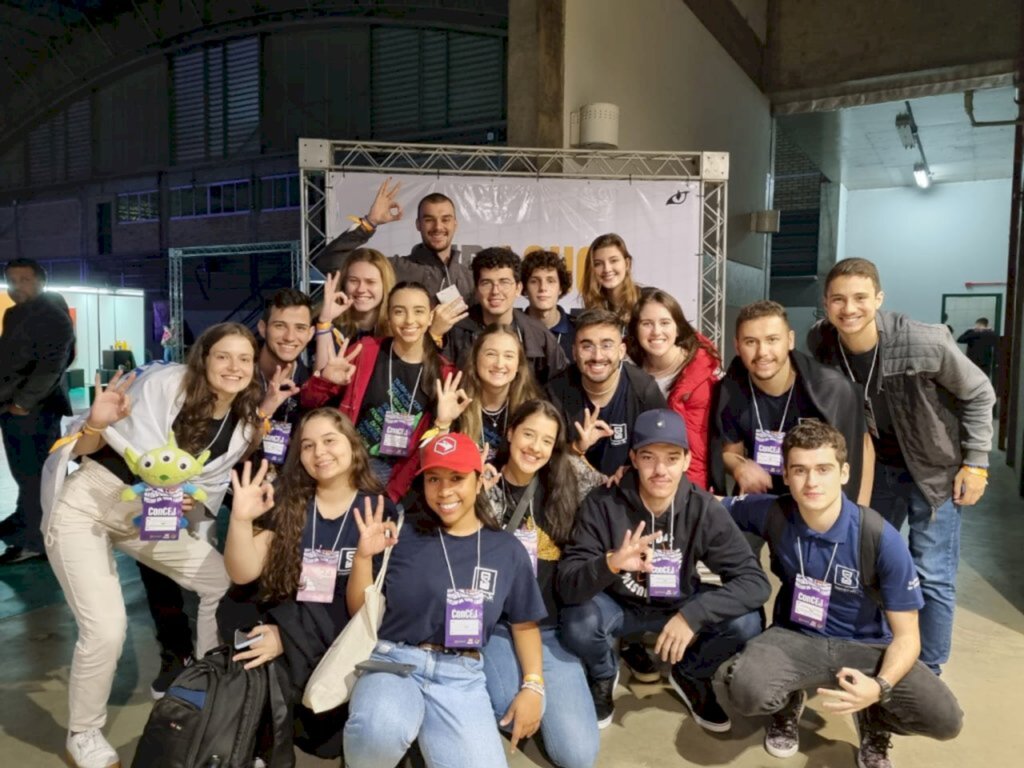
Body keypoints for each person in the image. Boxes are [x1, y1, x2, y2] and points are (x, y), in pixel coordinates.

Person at [41, 323, 277, 768]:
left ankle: (205, 686)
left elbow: (204, 486)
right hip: (89, 502)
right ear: (203, 358)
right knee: (107, 628)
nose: (234, 367)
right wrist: (95, 422)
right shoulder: (164, 385)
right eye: (223, 356)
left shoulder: (242, 427)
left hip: (147, 518)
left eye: (244, 359)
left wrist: (189, 498)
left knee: (218, 580)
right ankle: (83, 732)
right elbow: (91, 444)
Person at [716, 421, 963, 767]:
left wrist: (880, 687)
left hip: (867, 645)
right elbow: (712, 505)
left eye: (823, 469)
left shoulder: (879, 537)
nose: (812, 482)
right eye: (800, 470)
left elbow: (908, 638)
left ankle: (875, 720)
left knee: (945, 719)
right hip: (795, 636)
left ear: (844, 473)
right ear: (785, 475)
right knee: (744, 691)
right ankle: (788, 703)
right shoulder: (774, 512)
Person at [808, 257, 996, 673]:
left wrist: (976, 464)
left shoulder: (924, 340)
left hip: (936, 473)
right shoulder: (823, 342)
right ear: (826, 303)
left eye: (860, 297)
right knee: (872, 565)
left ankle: (929, 671)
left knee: (932, 575)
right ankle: (880, 651)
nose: (849, 308)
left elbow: (980, 393)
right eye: (838, 299)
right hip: (877, 473)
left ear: (879, 298)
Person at [343, 432, 547, 768]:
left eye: (457, 478)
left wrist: (534, 687)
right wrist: (363, 558)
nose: (445, 491)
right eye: (434, 479)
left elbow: (525, 623)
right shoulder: (401, 535)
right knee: (377, 733)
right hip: (396, 661)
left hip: (461, 674)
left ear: (480, 481)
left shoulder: (506, 550)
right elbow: (360, 613)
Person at [558, 409, 769, 732]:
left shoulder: (703, 508)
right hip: (618, 605)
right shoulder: (603, 503)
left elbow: (755, 583)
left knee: (747, 621)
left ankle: (691, 673)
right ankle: (603, 672)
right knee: (577, 621)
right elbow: (567, 584)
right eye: (648, 457)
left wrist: (693, 616)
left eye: (671, 458)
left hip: (677, 604)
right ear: (633, 459)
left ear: (686, 460)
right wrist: (611, 563)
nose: (660, 470)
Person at [222, 408, 398, 760]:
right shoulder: (289, 502)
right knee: (258, 678)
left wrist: (287, 638)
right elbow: (242, 573)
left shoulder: (379, 509)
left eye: (330, 441)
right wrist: (240, 521)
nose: (319, 453)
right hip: (288, 614)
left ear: (352, 445)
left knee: (327, 742)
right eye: (307, 445)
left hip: (335, 633)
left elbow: (362, 612)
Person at [481, 400, 603, 768]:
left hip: (547, 629)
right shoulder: (482, 482)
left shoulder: (565, 484)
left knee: (578, 756)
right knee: (511, 706)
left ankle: (557, 683)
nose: (535, 447)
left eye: (546, 441)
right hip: (496, 629)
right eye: (528, 434)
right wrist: (476, 497)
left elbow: (615, 487)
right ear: (510, 433)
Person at [300, 281, 455, 502]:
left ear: (430, 318)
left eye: (419, 311)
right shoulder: (366, 351)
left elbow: (426, 448)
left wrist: (392, 495)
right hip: (347, 466)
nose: (410, 320)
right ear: (389, 318)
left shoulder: (444, 372)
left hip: (401, 478)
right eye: (399, 311)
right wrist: (325, 380)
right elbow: (307, 402)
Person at [713, 300, 873, 504]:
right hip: (762, 497)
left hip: (816, 498)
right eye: (751, 342)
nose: (762, 352)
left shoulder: (831, 388)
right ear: (737, 346)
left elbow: (863, 447)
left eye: (772, 340)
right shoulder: (731, 389)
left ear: (790, 340)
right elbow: (729, 452)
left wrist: (860, 513)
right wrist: (739, 467)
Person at [0, 258, 76, 563]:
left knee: (34, 474)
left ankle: (35, 541)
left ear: (41, 281)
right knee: (29, 473)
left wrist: (23, 402)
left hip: (32, 410)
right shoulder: (17, 312)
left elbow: (52, 365)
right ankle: (26, 524)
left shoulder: (49, 312)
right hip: (18, 406)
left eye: (26, 279)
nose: (18, 285)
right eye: (12, 280)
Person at [547, 308, 666, 477]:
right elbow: (543, 461)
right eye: (587, 346)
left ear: (622, 351)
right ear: (574, 352)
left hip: (626, 492)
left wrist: (631, 471)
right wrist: (577, 448)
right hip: (570, 490)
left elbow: (663, 451)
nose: (597, 356)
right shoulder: (555, 392)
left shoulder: (643, 390)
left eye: (607, 345)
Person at [319, 178, 474, 308]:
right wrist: (369, 223)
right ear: (418, 225)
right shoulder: (395, 268)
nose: (438, 227)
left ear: (455, 224)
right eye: (429, 220)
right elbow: (328, 262)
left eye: (445, 219)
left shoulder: (470, 278)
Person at [628, 288, 721, 490]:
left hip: (694, 488)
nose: (656, 332)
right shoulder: (629, 376)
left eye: (664, 323)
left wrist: (702, 492)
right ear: (635, 330)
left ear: (678, 328)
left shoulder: (704, 376)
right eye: (646, 324)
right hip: (645, 486)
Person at [442, 247, 568, 386]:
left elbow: (560, 390)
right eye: (487, 283)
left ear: (518, 288)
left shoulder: (538, 335)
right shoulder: (454, 331)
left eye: (504, 282)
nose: (495, 291)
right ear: (476, 290)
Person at [444, 324, 544, 462]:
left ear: (518, 365)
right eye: (491, 354)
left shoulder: (531, 410)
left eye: (508, 356)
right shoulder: (456, 402)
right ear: (475, 359)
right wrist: (443, 423)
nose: (499, 364)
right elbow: (434, 459)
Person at [320, 249, 396, 343]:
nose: (361, 289)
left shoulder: (397, 327)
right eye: (353, 281)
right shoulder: (324, 322)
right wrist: (325, 323)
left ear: (385, 285)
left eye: (370, 282)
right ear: (344, 284)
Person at [522, 250, 576, 362]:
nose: (543, 288)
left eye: (550, 281)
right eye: (534, 281)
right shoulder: (513, 330)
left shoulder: (578, 331)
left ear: (561, 288)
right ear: (524, 288)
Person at [582, 233, 642, 327]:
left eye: (613, 261)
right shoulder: (593, 309)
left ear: (627, 264)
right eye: (598, 264)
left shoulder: (647, 300)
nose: (607, 269)